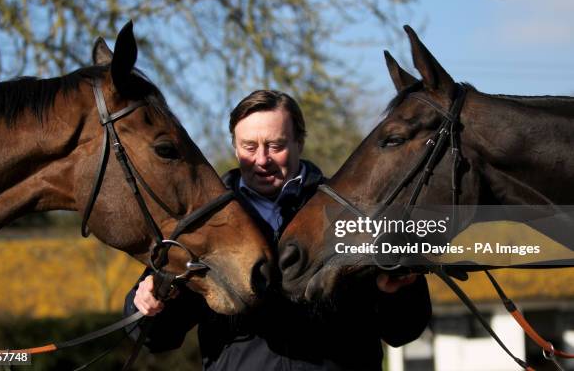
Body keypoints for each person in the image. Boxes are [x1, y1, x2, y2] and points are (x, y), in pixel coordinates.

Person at [124, 90, 432, 370]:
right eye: (249, 146)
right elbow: (157, 339)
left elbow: (402, 331)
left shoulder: (351, 216)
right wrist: (149, 304)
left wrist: (399, 292)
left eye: (275, 146)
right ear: (234, 146)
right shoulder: (201, 224)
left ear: (299, 142)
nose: (262, 160)